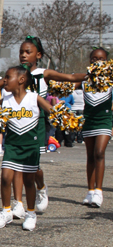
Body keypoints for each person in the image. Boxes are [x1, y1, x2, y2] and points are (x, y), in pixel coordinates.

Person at [12, 36, 87, 212]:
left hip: (37, 124)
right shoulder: (14, 74)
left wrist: (93, 74)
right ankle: (18, 203)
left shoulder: (44, 74)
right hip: (16, 123)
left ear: (38, 55)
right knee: (16, 164)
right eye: (21, 52)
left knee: (32, 166)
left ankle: (41, 188)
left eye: (27, 52)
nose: (23, 55)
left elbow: (70, 77)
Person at [0, 66, 54, 231]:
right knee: (5, 177)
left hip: (30, 146)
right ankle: (6, 212)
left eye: (7, 77)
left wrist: (63, 117)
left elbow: (52, 111)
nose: (4, 81)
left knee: (29, 181)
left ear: (21, 80)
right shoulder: (5, 100)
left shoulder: (34, 98)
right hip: (12, 145)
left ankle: (31, 213)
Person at [81, 48, 112, 207]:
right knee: (90, 156)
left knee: (99, 152)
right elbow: (69, 80)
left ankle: (99, 192)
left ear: (107, 62)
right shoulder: (85, 79)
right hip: (89, 121)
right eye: (93, 59)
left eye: (101, 59)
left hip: (105, 120)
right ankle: (90, 191)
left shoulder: (111, 80)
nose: (97, 62)